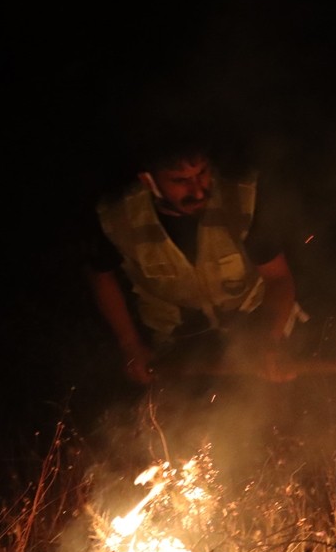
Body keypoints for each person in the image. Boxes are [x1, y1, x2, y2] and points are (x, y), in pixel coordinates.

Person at [85, 136, 305, 387]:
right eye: (180, 181)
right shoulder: (118, 217)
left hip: (255, 324)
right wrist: (131, 345)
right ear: (148, 181)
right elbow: (101, 276)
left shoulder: (241, 200)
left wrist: (271, 339)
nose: (198, 190)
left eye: (202, 173)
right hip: (179, 339)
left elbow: (278, 278)